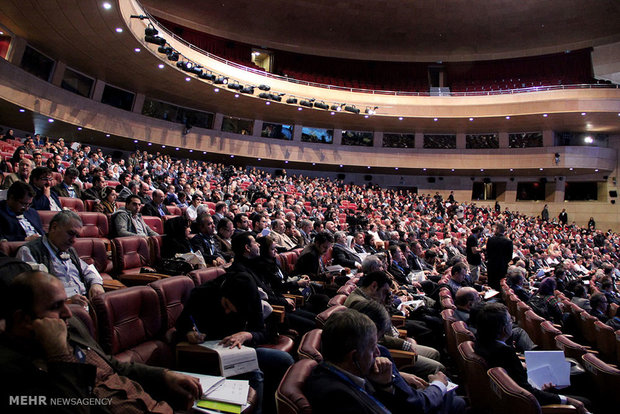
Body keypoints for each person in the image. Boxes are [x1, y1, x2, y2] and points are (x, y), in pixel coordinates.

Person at [0, 270, 202, 413]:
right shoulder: (11, 371)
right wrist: (59, 355)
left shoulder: (72, 327)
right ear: (22, 319)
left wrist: (165, 375)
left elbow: (112, 366)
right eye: (56, 306)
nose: (68, 313)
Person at [176, 269, 294, 414]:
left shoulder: (252, 297)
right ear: (223, 294)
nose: (227, 312)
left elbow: (263, 333)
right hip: (210, 353)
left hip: (240, 350)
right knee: (255, 375)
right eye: (226, 305)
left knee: (284, 360)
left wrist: (247, 334)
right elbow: (181, 325)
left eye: (233, 310)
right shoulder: (201, 294)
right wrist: (189, 333)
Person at [306, 308, 442, 414]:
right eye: (372, 349)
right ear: (354, 357)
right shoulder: (338, 398)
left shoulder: (346, 373)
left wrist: (385, 386)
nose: (378, 353)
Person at [350, 299, 466, 414]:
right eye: (377, 341)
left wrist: (397, 375)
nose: (377, 352)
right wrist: (438, 384)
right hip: (410, 404)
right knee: (455, 399)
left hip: (397, 398)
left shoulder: (355, 358)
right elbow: (417, 404)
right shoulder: (377, 354)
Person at [473, 303, 586, 413]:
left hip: (512, 393)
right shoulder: (505, 352)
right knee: (584, 400)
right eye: (510, 321)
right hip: (526, 403)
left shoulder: (479, 342)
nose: (512, 323)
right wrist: (566, 400)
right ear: (504, 329)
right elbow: (527, 392)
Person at [344, 270, 445, 377]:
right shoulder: (359, 303)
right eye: (385, 292)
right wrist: (403, 344)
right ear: (374, 286)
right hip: (383, 353)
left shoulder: (365, 298)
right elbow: (377, 337)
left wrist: (386, 305)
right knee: (437, 364)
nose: (387, 296)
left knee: (433, 352)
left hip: (391, 341)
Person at [16, 210, 105, 305]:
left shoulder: (70, 250)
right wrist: (67, 301)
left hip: (84, 301)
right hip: (58, 309)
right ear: (54, 227)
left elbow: (87, 270)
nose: (74, 240)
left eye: (77, 236)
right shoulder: (29, 251)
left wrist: (96, 284)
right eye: (70, 233)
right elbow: (33, 293)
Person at [485, 223, 513, 290]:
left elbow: (487, 253)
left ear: (498, 229)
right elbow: (509, 256)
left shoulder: (490, 240)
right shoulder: (508, 241)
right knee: (500, 284)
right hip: (502, 266)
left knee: (491, 284)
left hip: (491, 265)